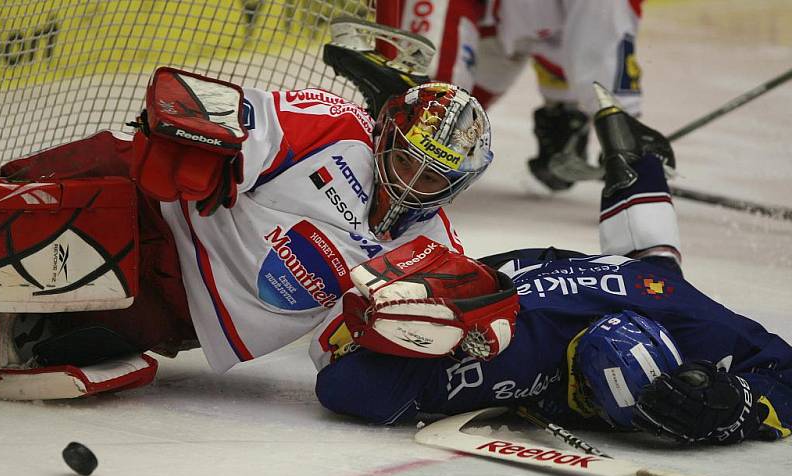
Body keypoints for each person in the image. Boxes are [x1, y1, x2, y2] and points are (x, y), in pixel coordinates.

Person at [311, 85, 792, 445]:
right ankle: (639, 161)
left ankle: (638, 165)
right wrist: (405, 341)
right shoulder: (519, 353)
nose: (581, 405)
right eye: (585, 392)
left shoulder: (684, 318)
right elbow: (343, 387)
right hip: (529, 290)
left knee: (660, 271)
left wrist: (735, 402)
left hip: (625, 285)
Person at [0, 57, 493, 400]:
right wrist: (212, 154)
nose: (410, 186)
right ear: (385, 134)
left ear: (458, 186)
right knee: (41, 202)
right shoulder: (334, 126)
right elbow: (225, 117)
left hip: (175, 310)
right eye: (407, 161)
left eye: (431, 177)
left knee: (46, 329)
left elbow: (341, 349)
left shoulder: (432, 253)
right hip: (153, 209)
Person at [378, 0, 645, 190]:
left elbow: (589, 41)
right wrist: (626, 143)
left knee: (450, 129)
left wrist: (564, 110)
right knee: (431, 108)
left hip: (504, 22)